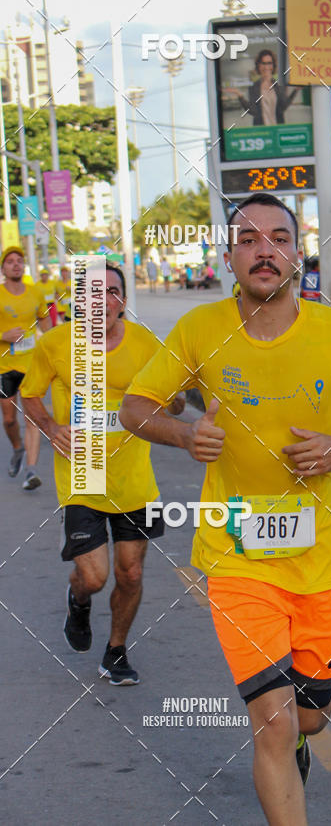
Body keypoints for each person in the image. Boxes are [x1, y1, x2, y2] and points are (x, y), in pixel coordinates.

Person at [120, 192, 331, 824]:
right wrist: (182, 434)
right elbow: (136, 405)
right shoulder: (199, 329)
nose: (265, 250)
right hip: (236, 557)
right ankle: (285, 757)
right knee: (275, 724)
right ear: (229, 256)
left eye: (278, 237)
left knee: (310, 715)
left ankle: (301, 744)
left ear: (298, 253)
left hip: (321, 559)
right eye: (249, 239)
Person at [21, 263, 185, 685]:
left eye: (111, 292)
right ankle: (78, 601)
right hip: (83, 475)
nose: (102, 301)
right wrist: (52, 428)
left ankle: (115, 651)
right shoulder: (57, 343)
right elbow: (30, 393)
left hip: (135, 479)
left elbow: (172, 399)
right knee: (94, 578)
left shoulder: (146, 344)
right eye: (93, 294)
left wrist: (179, 402)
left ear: (122, 302)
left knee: (130, 572)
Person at [0, 246, 51, 489]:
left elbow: (45, 321)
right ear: (3, 268)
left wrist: (55, 341)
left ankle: (31, 471)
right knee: (9, 419)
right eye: (10, 261)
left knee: (32, 417)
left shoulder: (35, 293)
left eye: (19, 260)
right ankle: (18, 448)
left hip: (32, 365)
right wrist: (3, 335)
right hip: (4, 367)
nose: (16, 264)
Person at [224, 49, 298, 126]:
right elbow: (253, 111)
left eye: (269, 63)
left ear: (273, 65)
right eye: (263, 63)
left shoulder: (278, 86)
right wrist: (239, 95)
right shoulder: (254, 87)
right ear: (258, 65)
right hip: (261, 130)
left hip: (277, 129)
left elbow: (283, 107)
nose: (266, 67)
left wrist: (295, 91)